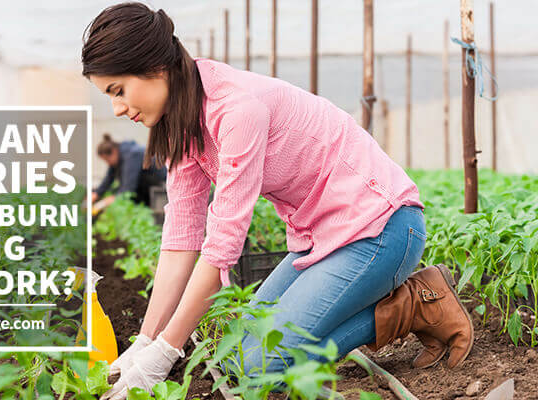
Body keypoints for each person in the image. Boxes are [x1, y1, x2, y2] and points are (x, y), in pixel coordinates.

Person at [81, 3, 473, 399]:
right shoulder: (181, 124)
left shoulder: (235, 108)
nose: (116, 108)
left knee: (259, 366)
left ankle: (416, 304)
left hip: (380, 229)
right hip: (319, 239)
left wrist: (168, 350)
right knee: (232, 357)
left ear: (155, 68)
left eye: (118, 90)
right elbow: (181, 237)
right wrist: (145, 344)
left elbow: (222, 247)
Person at [92, 133, 166, 208]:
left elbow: (128, 188)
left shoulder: (132, 156)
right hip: (152, 188)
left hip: (162, 186)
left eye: (107, 160)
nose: (108, 163)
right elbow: (109, 178)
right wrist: (97, 194)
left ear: (114, 152)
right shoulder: (120, 155)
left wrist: (109, 200)